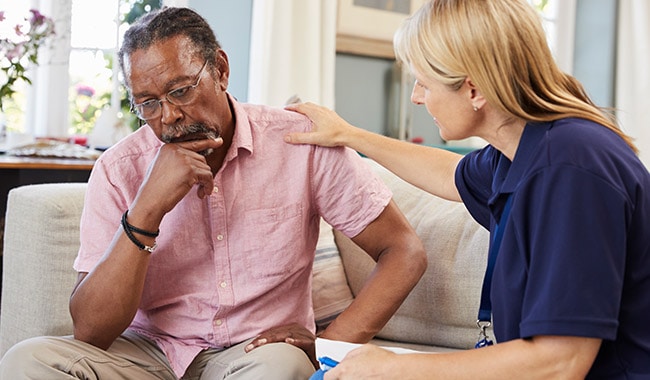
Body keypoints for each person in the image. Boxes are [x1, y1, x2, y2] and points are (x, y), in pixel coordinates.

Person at [0, 6, 428, 380]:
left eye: (180, 91)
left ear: (220, 70)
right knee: (29, 360)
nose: (168, 116)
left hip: (255, 353)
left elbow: (403, 251)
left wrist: (331, 343)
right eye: (146, 103)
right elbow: (91, 332)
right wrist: (147, 210)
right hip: (148, 355)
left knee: (284, 369)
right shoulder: (118, 169)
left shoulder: (299, 142)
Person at [284, 0, 650, 378]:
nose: (416, 97)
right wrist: (348, 134)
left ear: (474, 90)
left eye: (423, 82)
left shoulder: (571, 167)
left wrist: (398, 369)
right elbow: (451, 174)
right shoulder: (524, 149)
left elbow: (561, 362)